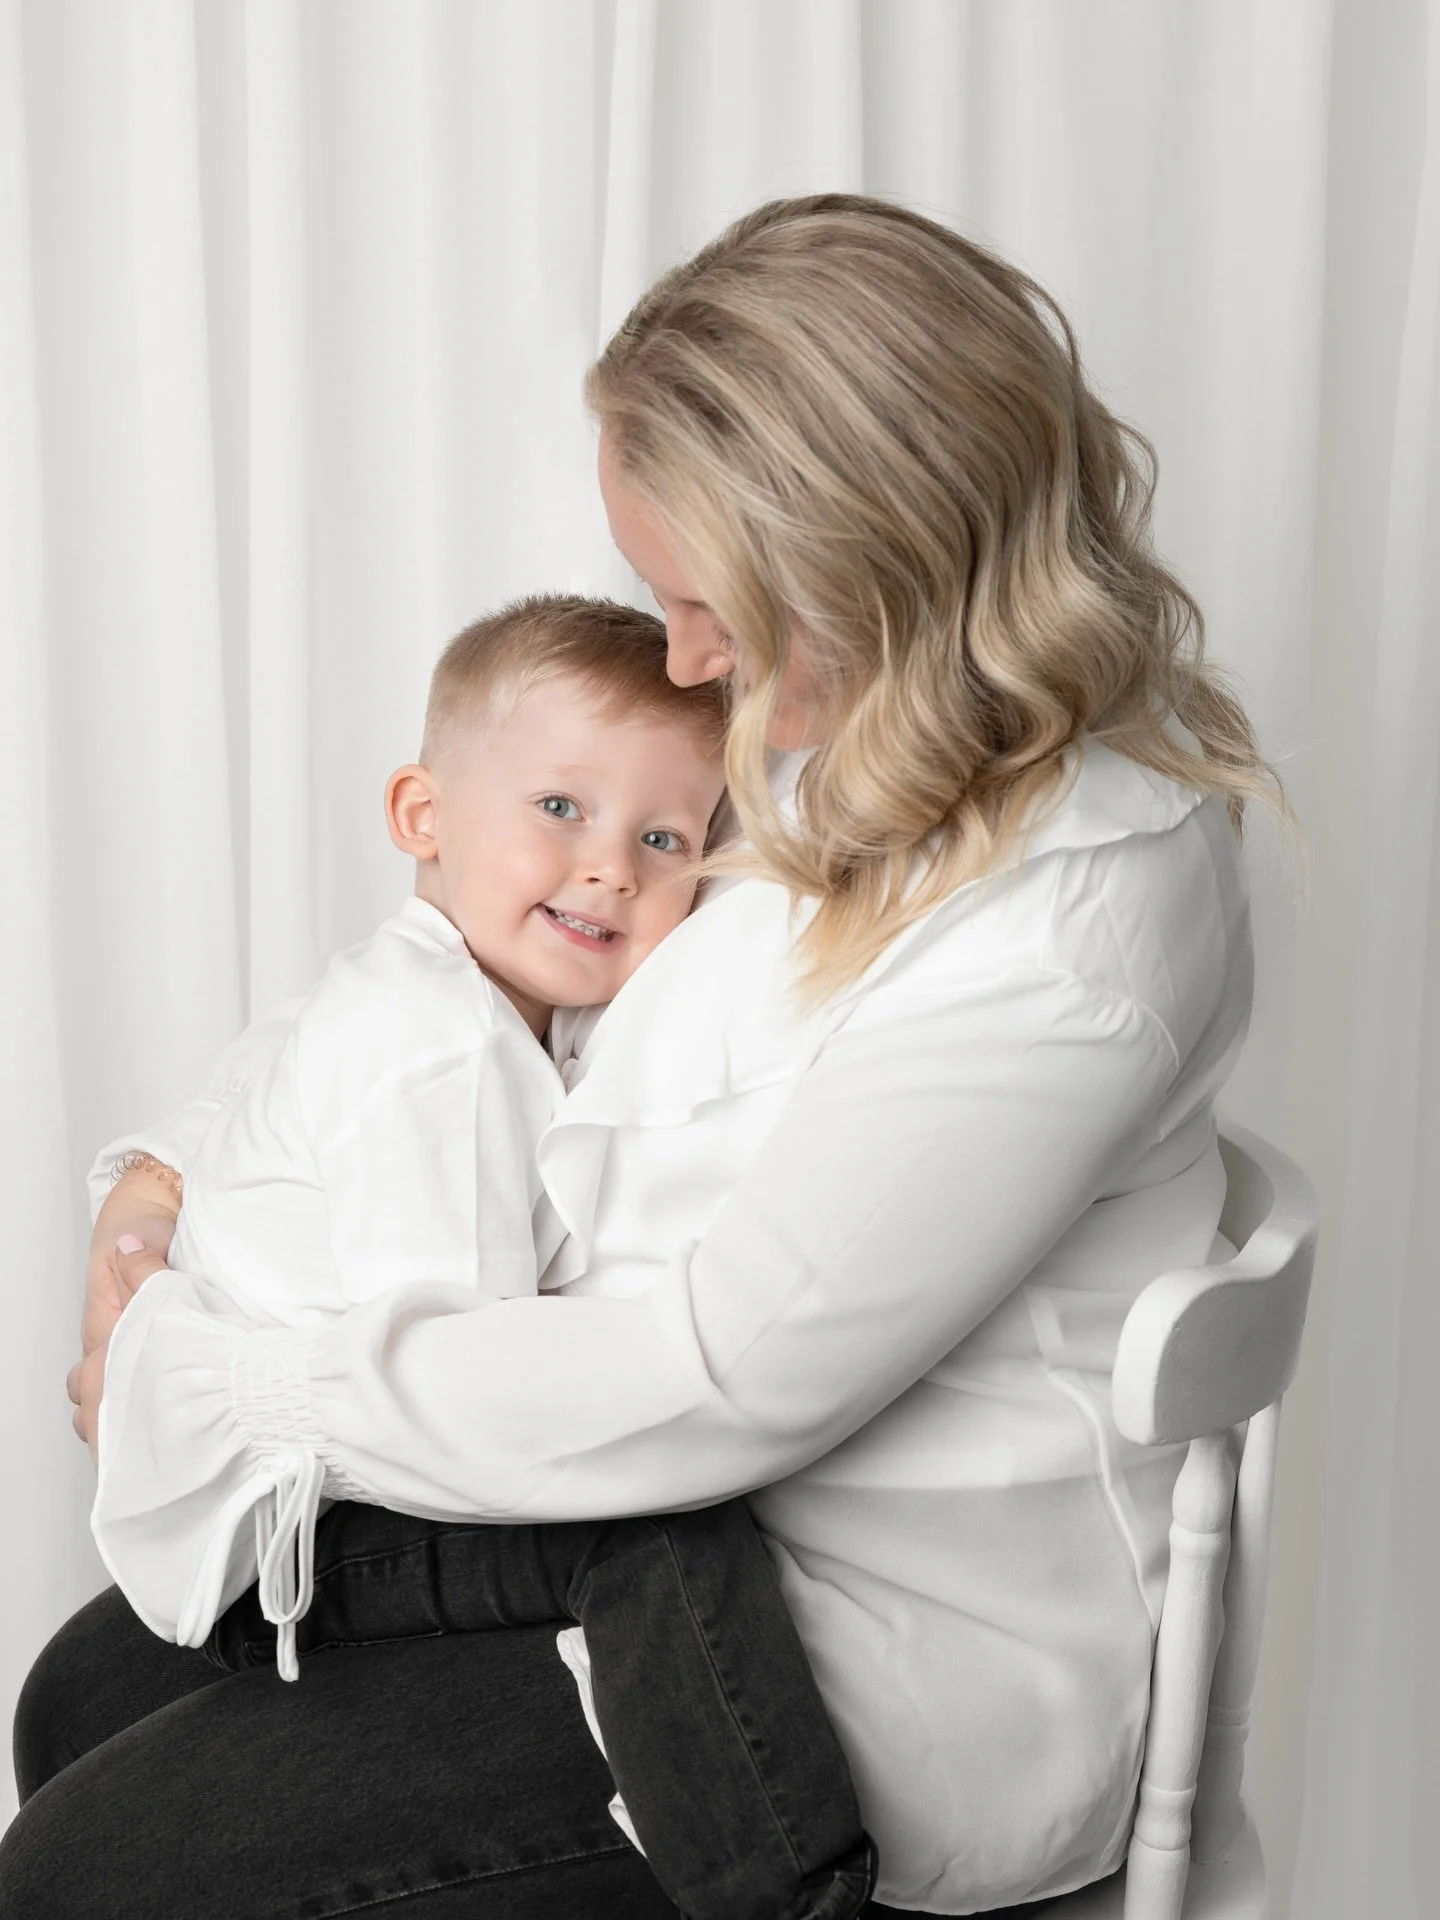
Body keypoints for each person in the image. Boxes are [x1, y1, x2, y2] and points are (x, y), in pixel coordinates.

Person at [6, 193, 1279, 1918]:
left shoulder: (1076, 920)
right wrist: (165, 1182)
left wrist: (258, 1394)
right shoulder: (849, 740)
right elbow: (464, 979)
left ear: (874, 543)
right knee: (76, 1699)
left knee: (96, 1875)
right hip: (652, 1522)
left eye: (711, 601)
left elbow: (722, 1371)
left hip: (840, 1648)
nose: (683, 662)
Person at [81, 591, 875, 1920]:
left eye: (664, 837)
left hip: (316, 1474)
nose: (611, 865)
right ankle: (789, 1884)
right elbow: (452, 1380)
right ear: (422, 817)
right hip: (312, 1521)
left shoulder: (455, 997)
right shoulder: (437, 1051)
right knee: (657, 1537)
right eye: (560, 809)